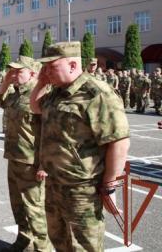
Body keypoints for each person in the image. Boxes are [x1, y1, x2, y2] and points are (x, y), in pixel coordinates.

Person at [30, 41, 130, 251]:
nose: (47, 71)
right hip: (54, 183)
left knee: (84, 246)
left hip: (82, 189)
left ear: (73, 65)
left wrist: (110, 185)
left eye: (51, 66)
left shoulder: (97, 93)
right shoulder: (57, 92)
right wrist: (41, 82)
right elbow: (36, 107)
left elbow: (118, 141)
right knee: (59, 240)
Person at [0, 56, 50, 252]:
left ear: (33, 73)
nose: (14, 75)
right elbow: (0, 101)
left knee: (35, 210)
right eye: (12, 71)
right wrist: (5, 81)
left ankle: (43, 249)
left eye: (19, 71)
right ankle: (24, 243)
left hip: (31, 161)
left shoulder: (40, 95)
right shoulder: (15, 94)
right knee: (18, 205)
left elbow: (48, 132)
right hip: (14, 157)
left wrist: (44, 164)